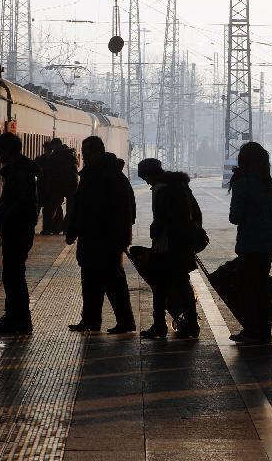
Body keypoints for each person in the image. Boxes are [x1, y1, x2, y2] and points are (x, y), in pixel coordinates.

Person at [65, 136, 136, 334]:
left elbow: (126, 210)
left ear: (97, 152)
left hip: (107, 239)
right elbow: (80, 207)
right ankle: (90, 320)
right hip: (91, 237)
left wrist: (121, 238)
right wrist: (73, 230)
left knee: (114, 283)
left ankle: (125, 321)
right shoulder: (92, 175)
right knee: (90, 282)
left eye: (87, 153)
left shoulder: (111, 176)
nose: (84, 157)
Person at [137, 158, 203, 339]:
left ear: (151, 174)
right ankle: (192, 325)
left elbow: (163, 218)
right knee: (183, 285)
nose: (147, 182)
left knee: (160, 287)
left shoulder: (161, 189)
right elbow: (196, 213)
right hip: (182, 245)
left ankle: (159, 326)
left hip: (167, 246)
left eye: (145, 178)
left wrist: (154, 231)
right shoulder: (181, 186)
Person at [226, 143, 272, 344]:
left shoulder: (243, 183)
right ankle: (263, 330)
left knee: (247, 288)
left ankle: (253, 330)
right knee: (259, 287)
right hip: (268, 244)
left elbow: (235, 217)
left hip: (250, 244)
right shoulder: (270, 184)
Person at [0, 132, 38, 335]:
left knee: (14, 275)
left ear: (9, 151)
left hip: (17, 230)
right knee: (13, 275)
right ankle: (14, 317)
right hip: (18, 229)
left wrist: (6, 218)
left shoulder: (19, 172)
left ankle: (18, 319)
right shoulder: (21, 170)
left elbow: (20, 202)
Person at [45, 138, 79, 235]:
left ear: (55, 146)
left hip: (59, 184)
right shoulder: (71, 153)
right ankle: (66, 228)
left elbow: (50, 170)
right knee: (70, 208)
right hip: (72, 183)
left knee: (54, 205)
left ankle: (53, 228)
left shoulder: (55, 155)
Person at [34, 140, 56, 234]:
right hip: (49, 188)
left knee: (37, 208)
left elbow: (35, 171)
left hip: (41, 187)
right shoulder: (55, 160)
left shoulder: (40, 159)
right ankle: (46, 229)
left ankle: (33, 226)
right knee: (48, 210)